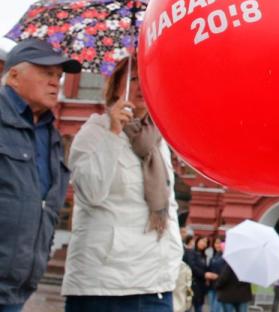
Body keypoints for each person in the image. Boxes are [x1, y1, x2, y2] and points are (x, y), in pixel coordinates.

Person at [61, 55, 184, 310]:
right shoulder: (94, 132)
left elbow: (167, 205)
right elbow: (91, 193)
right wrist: (113, 134)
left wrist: (174, 258)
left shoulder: (157, 138)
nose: (141, 86)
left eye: (148, 78)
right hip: (103, 286)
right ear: (116, 85)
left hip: (155, 282)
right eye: (134, 78)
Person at [0, 39, 79, 310]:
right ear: (13, 76)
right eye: (46, 73)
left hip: (18, 287)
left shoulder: (51, 136)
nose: (55, 82)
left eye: (58, 76)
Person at [184, 236, 210, 311]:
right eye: (202, 241)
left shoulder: (204, 256)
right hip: (192, 284)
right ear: (197, 241)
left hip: (201, 286)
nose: (204, 244)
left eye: (206, 242)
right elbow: (192, 266)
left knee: (199, 307)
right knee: (188, 306)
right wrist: (204, 274)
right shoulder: (190, 252)